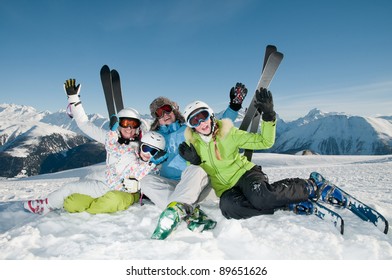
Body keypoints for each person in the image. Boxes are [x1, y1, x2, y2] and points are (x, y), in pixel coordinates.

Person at [178, 88, 341, 220]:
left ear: (211, 115)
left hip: (245, 174)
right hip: (226, 189)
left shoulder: (229, 133)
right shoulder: (193, 146)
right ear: (191, 126)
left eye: (203, 116)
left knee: (261, 197)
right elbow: (196, 177)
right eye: (194, 121)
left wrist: (269, 117)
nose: (201, 123)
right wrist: (195, 162)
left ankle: (312, 186)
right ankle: (286, 204)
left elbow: (265, 142)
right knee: (228, 209)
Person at [23, 79, 167, 215]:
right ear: (119, 125)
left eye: (133, 124)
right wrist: (74, 100)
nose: (129, 128)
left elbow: (155, 157)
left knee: (107, 201)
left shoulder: (145, 144)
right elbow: (85, 124)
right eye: (125, 124)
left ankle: (48, 205)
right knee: (73, 202)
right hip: (104, 183)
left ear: (138, 126)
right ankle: (53, 204)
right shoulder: (110, 139)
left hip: (125, 190)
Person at [141, 83, 248, 239]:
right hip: (170, 184)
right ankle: (188, 214)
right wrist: (154, 159)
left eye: (167, 109)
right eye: (159, 112)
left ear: (173, 110)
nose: (165, 114)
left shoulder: (189, 128)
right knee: (145, 181)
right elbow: (143, 155)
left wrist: (234, 106)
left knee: (198, 168)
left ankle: (178, 211)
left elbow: (215, 126)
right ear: (156, 118)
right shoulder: (155, 136)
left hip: (194, 183)